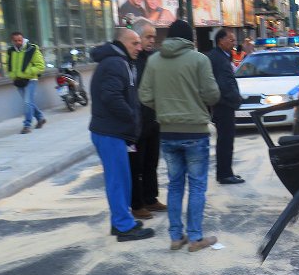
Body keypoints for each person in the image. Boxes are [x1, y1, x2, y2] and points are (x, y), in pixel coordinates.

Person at [138, 20, 221, 252]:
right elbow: (212, 95)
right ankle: (195, 238)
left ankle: (176, 237)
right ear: (189, 39)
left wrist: (164, 107)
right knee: (197, 186)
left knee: (175, 185)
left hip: (167, 131)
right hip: (195, 131)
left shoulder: (154, 60)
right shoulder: (199, 60)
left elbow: (144, 95)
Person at [89, 28, 155, 242]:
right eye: (134, 43)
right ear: (121, 43)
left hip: (113, 131)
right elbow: (111, 96)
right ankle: (123, 226)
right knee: (118, 180)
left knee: (122, 179)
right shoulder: (115, 63)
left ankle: (121, 221)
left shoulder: (118, 62)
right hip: (110, 132)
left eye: (139, 43)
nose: (139, 47)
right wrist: (132, 117)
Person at [128, 19, 167, 220]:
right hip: (136, 123)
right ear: (137, 37)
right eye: (148, 37)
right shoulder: (131, 61)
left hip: (153, 119)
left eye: (154, 37)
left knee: (152, 162)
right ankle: (137, 204)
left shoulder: (153, 58)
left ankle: (151, 198)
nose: (152, 40)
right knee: (136, 165)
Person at [207, 28, 245, 185]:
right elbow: (225, 84)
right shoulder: (219, 59)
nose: (233, 43)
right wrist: (236, 99)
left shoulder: (221, 56)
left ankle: (225, 172)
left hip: (221, 104)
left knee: (224, 140)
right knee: (226, 141)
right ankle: (225, 174)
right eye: (230, 40)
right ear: (220, 41)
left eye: (234, 40)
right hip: (223, 105)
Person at [7, 31, 46, 134]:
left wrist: (27, 72)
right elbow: (8, 65)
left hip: (31, 80)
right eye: (15, 40)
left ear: (23, 39)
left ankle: (27, 125)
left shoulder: (31, 49)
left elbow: (41, 66)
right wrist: (12, 75)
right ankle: (40, 118)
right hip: (18, 81)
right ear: (12, 41)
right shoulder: (10, 51)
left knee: (27, 102)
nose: (18, 42)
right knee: (28, 102)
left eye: (19, 40)